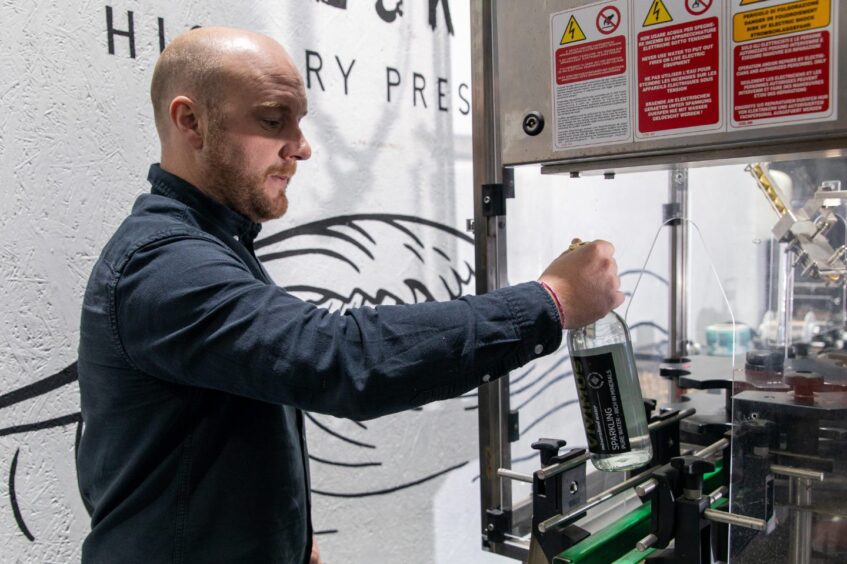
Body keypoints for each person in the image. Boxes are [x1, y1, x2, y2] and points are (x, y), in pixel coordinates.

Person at [76, 27, 624, 564]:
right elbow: (341, 358)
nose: (302, 147)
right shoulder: (164, 264)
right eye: (273, 120)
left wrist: (285, 542)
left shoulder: (213, 245)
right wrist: (550, 301)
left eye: (299, 121)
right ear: (190, 121)